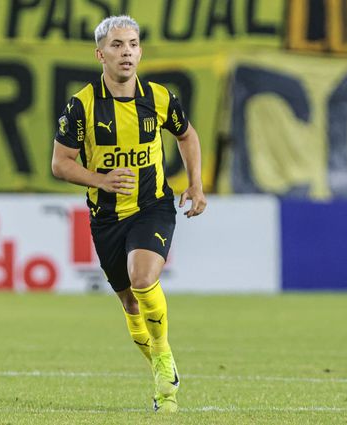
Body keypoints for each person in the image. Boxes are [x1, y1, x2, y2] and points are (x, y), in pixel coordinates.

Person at [50, 15, 207, 413]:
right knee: (130, 303)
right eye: (118, 45)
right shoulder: (82, 105)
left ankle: (164, 357)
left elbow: (186, 135)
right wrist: (99, 179)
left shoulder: (157, 97)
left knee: (143, 278)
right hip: (106, 217)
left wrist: (196, 183)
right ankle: (160, 367)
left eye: (133, 44)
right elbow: (60, 163)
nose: (127, 52)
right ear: (100, 53)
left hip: (152, 205)